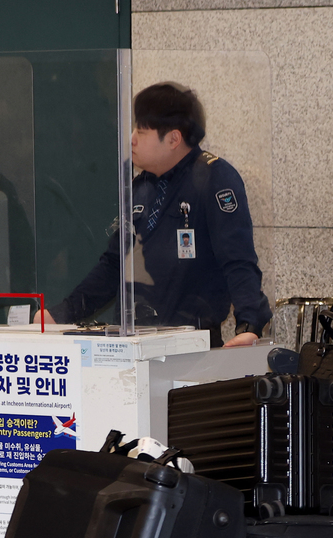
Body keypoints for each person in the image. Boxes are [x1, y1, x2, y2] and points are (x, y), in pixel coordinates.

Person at [53, 83, 270, 346]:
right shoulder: (139, 186)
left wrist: (249, 325)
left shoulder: (214, 178)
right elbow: (114, 266)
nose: (131, 139)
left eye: (141, 132)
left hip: (191, 346)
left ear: (173, 139)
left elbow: (238, 260)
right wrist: (62, 314)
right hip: (134, 342)